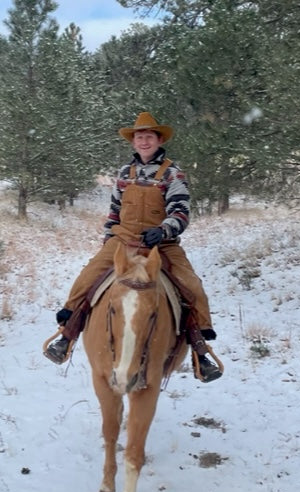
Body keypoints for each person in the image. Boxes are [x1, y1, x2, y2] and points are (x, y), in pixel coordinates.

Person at [44, 112, 222, 383]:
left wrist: (163, 230)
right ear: (133, 142)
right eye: (139, 137)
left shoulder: (174, 174)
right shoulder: (124, 173)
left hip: (161, 245)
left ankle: (201, 351)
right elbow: (114, 211)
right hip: (123, 241)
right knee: (87, 278)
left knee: (192, 287)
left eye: (149, 137)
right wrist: (108, 240)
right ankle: (66, 337)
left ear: (159, 140)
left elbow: (181, 212)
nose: (144, 141)